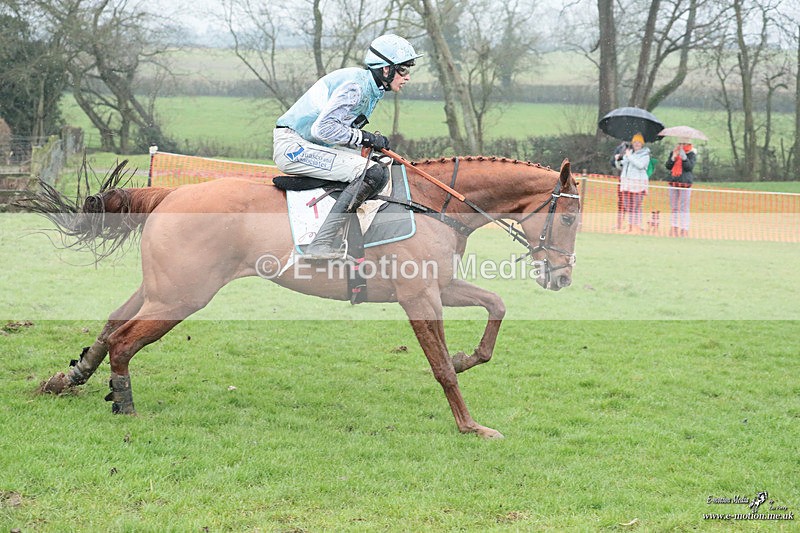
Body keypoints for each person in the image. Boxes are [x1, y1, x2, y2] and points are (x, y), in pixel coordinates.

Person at [272, 34, 421, 260]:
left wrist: (364, 141)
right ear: (385, 70)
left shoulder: (371, 87)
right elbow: (322, 130)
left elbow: (337, 132)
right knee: (372, 172)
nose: (407, 77)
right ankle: (320, 243)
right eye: (403, 70)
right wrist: (364, 137)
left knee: (380, 166)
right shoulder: (356, 86)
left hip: (311, 145)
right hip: (295, 146)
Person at [613, 132, 650, 234]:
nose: (637, 144)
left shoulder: (645, 155)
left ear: (642, 144)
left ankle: (636, 227)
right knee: (627, 205)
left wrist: (629, 156)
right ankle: (629, 227)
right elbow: (620, 166)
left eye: (639, 142)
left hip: (638, 185)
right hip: (627, 184)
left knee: (636, 206)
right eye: (635, 142)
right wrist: (618, 160)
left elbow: (640, 165)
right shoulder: (629, 153)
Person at [665, 140, 696, 237]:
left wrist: (684, 158)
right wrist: (673, 158)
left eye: (684, 144)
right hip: (674, 182)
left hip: (685, 183)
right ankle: (674, 226)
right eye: (680, 143)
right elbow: (668, 166)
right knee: (674, 207)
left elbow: (689, 167)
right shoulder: (674, 152)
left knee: (684, 208)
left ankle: (684, 228)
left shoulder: (691, 154)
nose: (681, 145)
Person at [610, 141, 628, 230]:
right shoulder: (620, 147)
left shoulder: (639, 148)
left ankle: (632, 224)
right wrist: (619, 159)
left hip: (635, 179)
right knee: (621, 202)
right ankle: (619, 223)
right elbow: (613, 162)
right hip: (623, 177)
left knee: (634, 203)